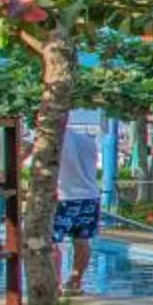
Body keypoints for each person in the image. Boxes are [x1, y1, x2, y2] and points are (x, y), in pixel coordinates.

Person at [53, 113, 104, 294]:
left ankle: (55, 285)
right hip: (89, 195)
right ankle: (75, 281)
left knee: (51, 241)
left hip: (63, 197)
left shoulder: (53, 140)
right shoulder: (87, 140)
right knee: (82, 240)